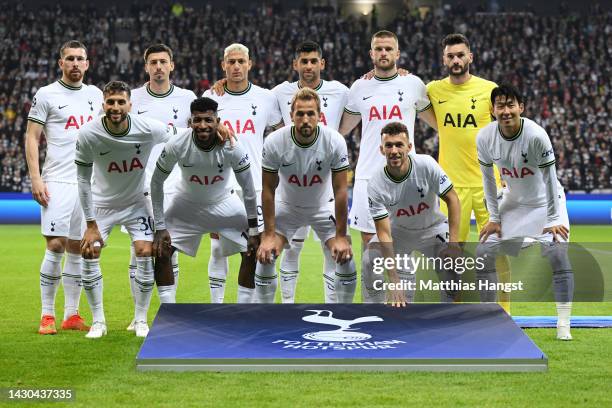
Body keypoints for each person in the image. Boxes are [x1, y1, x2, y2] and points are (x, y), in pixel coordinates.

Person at [338, 30, 437, 301]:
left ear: (397, 54)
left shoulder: (414, 84)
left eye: (388, 49)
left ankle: (407, 309)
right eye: (378, 49)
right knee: (371, 246)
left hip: (406, 180)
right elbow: (341, 129)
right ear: (371, 54)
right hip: (368, 177)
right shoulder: (359, 88)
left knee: (404, 246)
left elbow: (439, 123)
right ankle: (372, 307)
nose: (383, 53)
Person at [75, 81, 172, 339]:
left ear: (130, 104)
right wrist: (91, 224)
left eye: (120, 102)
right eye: (111, 102)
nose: (115, 107)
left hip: (137, 203)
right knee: (89, 252)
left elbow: (179, 135)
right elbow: (83, 180)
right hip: (102, 206)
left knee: (144, 251)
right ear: (103, 104)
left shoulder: (148, 127)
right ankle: (98, 321)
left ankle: (140, 319)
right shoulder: (88, 134)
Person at [476, 84, 573, 340]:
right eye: (500, 106)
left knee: (557, 254)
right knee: (483, 250)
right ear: (493, 109)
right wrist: (494, 218)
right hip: (514, 203)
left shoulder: (536, 135)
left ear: (521, 107)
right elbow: (488, 180)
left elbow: (551, 179)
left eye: (511, 105)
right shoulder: (485, 137)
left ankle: (563, 323)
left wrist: (553, 219)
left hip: (545, 203)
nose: (505, 111)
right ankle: (488, 317)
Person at [426, 33, 512, 313]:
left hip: (489, 184)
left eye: (460, 55)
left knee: (497, 251)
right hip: (452, 188)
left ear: (470, 57)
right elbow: (400, 89)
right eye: (450, 56)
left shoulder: (490, 90)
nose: (455, 60)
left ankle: (504, 311)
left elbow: (507, 131)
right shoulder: (433, 90)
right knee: (452, 254)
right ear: (444, 59)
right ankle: (454, 310)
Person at [25, 40, 103, 335]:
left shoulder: (96, 95)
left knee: (78, 247)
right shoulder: (46, 94)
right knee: (56, 244)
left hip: (89, 183)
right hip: (57, 180)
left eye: (79, 59)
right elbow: (32, 137)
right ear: (61, 63)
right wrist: (35, 178)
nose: (74, 63)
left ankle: (72, 314)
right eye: (69, 58)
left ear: (87, 63)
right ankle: (47, 315)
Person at [150, 97, 260, 301]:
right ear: (190, 122)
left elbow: (248, 188)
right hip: (186, 205)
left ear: (218, 121)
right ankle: (171, 314)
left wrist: (253, 229)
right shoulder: (177, 144)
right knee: (161, 250)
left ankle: (243, 313)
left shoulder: (232, 146)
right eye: (197, 120)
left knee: (252, 250)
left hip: (224, 203)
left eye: (208, 120)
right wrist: (160, 226)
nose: (202, 125)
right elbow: (156, 182)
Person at [256, 88, 355, 303]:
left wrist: (340, 236)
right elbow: (268, 190)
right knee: (265, 257)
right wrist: (268, 234)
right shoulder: (274, 141)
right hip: (288, 207)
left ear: (320, 115)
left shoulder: (335, 141)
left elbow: (340, 190)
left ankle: (344, 316)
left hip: (322, 207)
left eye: (311, 113)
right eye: (300, 113)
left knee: (346, 258)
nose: (305, 119)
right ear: (291, 115)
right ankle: (263, 318)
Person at [123, 43, 197, 330]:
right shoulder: (134, 98)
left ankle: (169, 315)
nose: (158, 67)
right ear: (146, 67)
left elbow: (196, 133)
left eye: (163, 62)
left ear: (172, 65)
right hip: (140, 183)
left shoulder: (187, 97)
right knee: (139, 250)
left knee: (169, 248)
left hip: (175, 184)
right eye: (152, 62)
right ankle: (138, 316)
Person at [203, 43, 282, 303]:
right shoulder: (211, 98)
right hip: (220, 184)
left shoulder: (266, 98)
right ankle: (217, 308)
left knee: (251, 248)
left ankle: (243, 309)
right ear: (223, 65)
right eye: (231, 62)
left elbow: (281, 130)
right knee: (217, 247)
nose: (236, 66)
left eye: (241, 61)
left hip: (255, 185)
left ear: (250, 64)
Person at [271, 40, 349, 304]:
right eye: (303, 61)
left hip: (323, 187)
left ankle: (333, 307)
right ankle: (287, 306)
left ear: (322, 64)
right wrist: (222, 85)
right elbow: (254, 103)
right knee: (292, 249)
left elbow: (366, 96)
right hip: (291, 187)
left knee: (332, 254)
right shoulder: (279, 93)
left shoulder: (340, 91)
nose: (308, 66)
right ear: (295, 64)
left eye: (313, 61)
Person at [365, 122, 461, 305]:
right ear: (381, 149)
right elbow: (384, 233)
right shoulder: (376, 184)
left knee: (454, 267)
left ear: (409, 147)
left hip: (434, 230)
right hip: (399, 232)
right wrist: (393, 280)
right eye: (389, 145)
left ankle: (447, 316)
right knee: (369, 259)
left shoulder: (426, 165)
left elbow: (453, 199)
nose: (394, 150)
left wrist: (454, 244)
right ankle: (376, 312)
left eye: (399, 144)